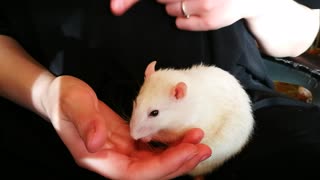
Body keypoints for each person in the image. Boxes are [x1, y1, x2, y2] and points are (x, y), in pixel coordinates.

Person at [0, 0, 319, 179]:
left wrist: (256, 4)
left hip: (250, 107)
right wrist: (45, 93)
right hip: (52, 122)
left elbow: (300, 34)